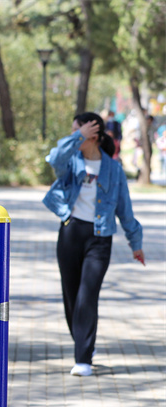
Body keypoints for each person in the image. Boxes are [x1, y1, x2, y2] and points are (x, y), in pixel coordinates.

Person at [43, 112, 145, 377]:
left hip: (100, 239)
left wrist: (136, 243)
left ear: (94, 135)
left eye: (78, 131)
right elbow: (55, 157)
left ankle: (83, 357)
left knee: (87, 296)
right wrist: (78, 135)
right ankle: (82, 340)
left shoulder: (114, 170)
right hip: (70, 231)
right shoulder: (71, 162)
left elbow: (125, 209)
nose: (73, 137)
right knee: (71, 296)